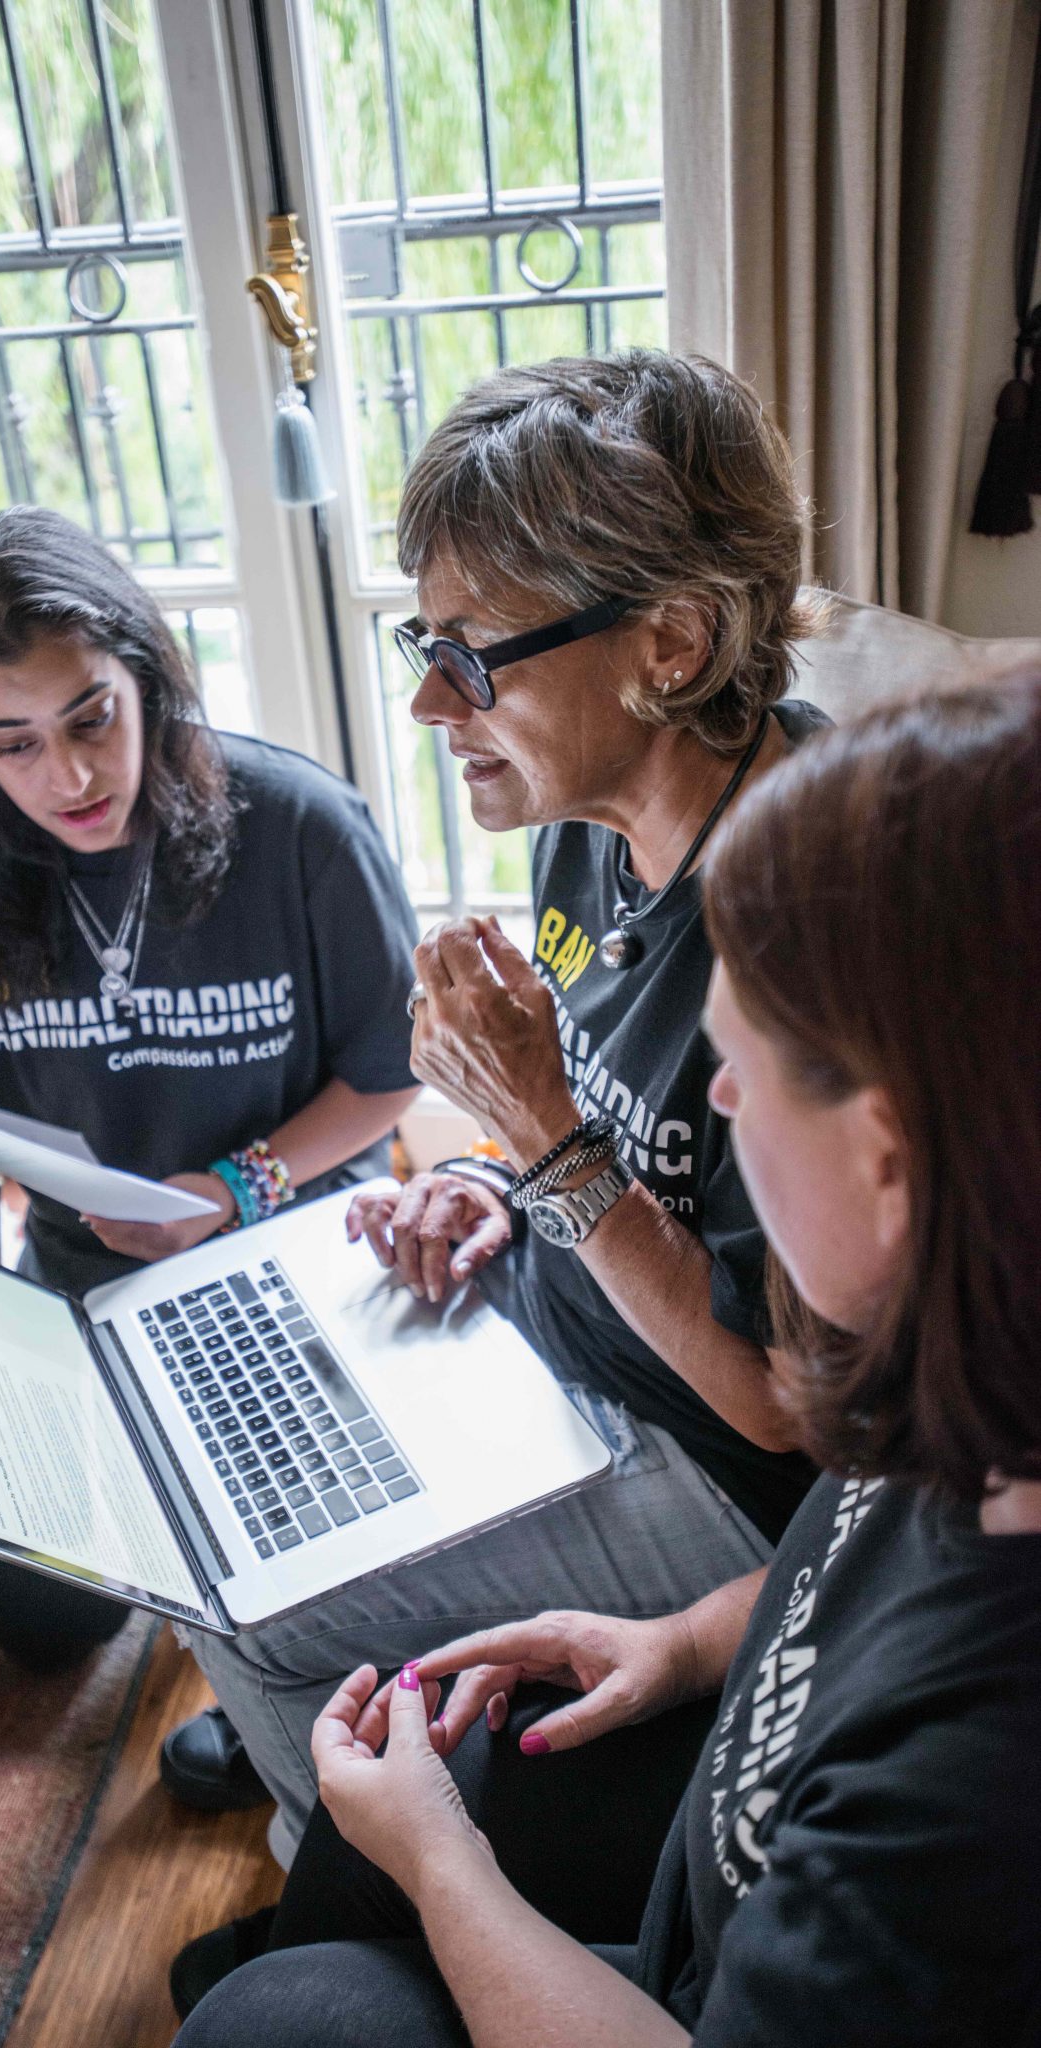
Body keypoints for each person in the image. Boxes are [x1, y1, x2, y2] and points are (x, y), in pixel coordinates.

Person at [175, 672, 1041, 2048]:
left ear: (885, 1159)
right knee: (372, 1833)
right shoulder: (967, 1362)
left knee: (264, 2017)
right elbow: (851, 1565)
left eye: (740, 1070)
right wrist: (682, 1641)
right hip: (716, 1800)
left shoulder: (962, 1805)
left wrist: (443, 1872)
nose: (716, 1096)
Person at [183, 351, 828, 1853]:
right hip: (554, 1324)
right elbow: (608, 1120)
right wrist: (490, 1172)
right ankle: (355, 1776)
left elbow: (780, 1405)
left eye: (472, 657)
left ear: (669, 644)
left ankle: (357, 1892)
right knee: (218, 1459)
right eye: (426, 641)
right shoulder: (585, 819)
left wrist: (538, 1134)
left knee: (240, 1600)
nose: (426, 700)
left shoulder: (815, 913)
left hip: (713, 1468)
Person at [0, 506, 420, 1718]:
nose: (71, 777)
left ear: (142, 673)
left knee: (306, 1566)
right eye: (14, 743)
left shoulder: (297, 828)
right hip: (79, 1282)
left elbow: (391, 1074)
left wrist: (233, 1190)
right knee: (41, 1626)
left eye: (92, 717)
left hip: (288, 1240)